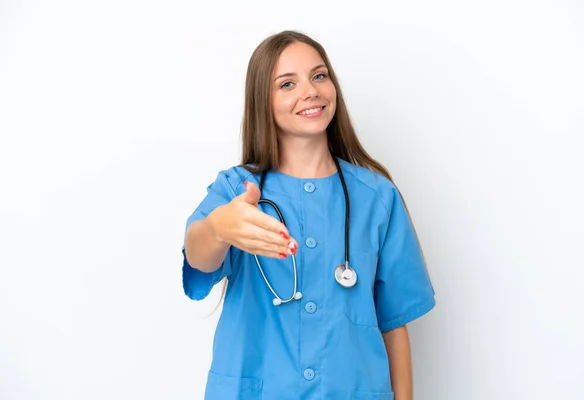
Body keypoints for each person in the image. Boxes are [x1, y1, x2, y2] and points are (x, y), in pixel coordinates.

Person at [181, 30, 436, 400]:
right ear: (262, 102)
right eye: (287, 84)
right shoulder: (237, 190)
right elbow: (197, 257)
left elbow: (393, 323)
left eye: (319, 76)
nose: (310, 91)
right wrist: (220, 228)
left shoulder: (377, 197)